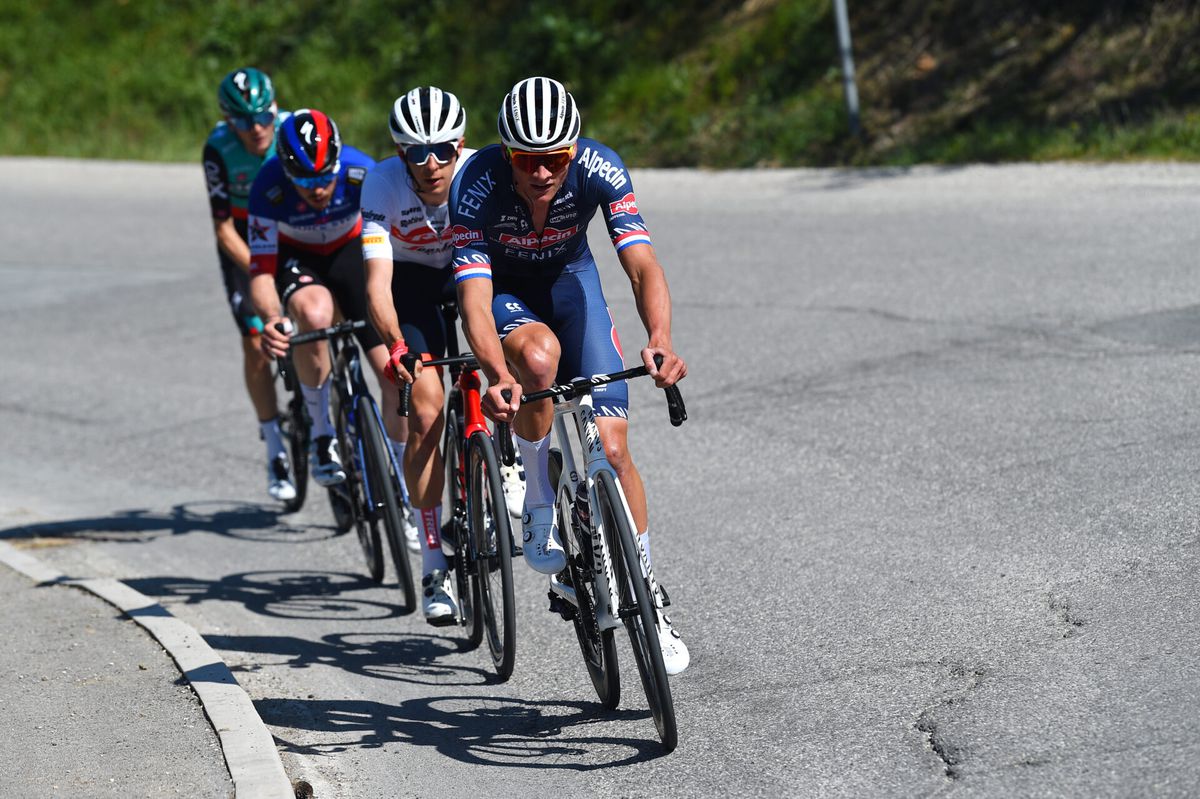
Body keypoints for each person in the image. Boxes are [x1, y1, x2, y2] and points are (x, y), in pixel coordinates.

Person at [449, 77, 690, 673]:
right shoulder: (474, 186)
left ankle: (649, 597)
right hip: (508, 298)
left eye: (555, 158)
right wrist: (492, 370)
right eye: (527, 160)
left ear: (573, 149)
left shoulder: (601, 167)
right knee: (536, 360)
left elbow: (640, 266)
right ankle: (535, 492)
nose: (541, 172)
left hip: (571, 286)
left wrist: (659, 339)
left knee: (614, 446)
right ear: (508, 154)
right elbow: (474, 300)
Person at [361, 86, 486, 624]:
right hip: (411, 282)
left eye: (443, 150)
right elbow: (376, 284)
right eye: (416, 152)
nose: (432, 164)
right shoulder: (382, 184)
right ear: (398, 153)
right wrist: (397, 345)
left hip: (469, 268)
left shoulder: (478, 171)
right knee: (428, 408)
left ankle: (511, 465)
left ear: (461, 144)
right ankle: (434, 559)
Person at [246, 109, 401, 496]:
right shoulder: (267, 187)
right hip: (298, 259)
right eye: (304, 179)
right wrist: (272, 318)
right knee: (314, 314)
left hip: (350, 251)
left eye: (324, 175)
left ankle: (401, 474)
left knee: (394, 376)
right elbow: (262, 271)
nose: (317, 189)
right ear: (284, 170)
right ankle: (321, 434)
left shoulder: (360, 171)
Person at [202, 67, 294, 502]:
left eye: (263, 117)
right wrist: (263, 269)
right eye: (243, 122)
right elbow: (223, 230)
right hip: (243, 242)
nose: (256, 129)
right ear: (227, 121)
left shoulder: (292, 132)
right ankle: (274, 442)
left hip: (289, 231)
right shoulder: (218, 149)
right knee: (257, 342)